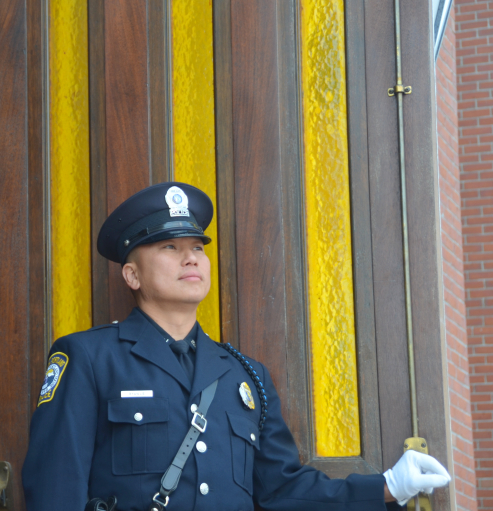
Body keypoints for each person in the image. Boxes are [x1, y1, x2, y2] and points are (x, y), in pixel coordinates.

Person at [22, 182, 451, 511]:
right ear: (132, 275)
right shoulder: (89, 358)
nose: (190, 258)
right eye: (170, 247)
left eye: (196, 248)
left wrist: (387, 487)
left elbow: (282, 489)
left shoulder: (244, 376)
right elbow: (55, 487)